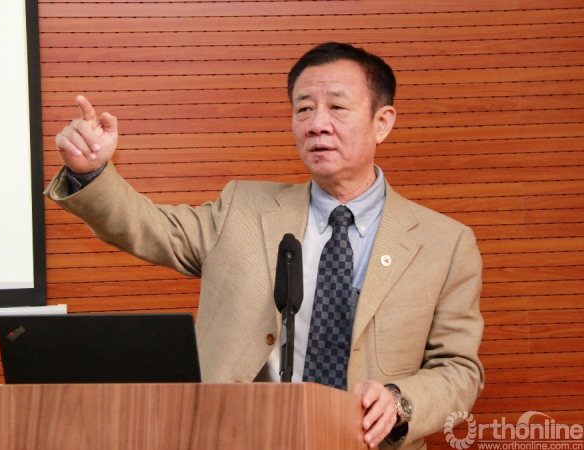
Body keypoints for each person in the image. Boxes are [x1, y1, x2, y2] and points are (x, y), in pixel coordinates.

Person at [46, 42, 484, 449]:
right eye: (304, 109)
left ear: (382, 122)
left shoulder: (443, 244)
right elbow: (148, 228)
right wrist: (92, 173)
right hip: (238, 437)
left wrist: (400, 400)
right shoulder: (242, 209)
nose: (317, 124)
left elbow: (459, 369)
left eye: (337, 107)